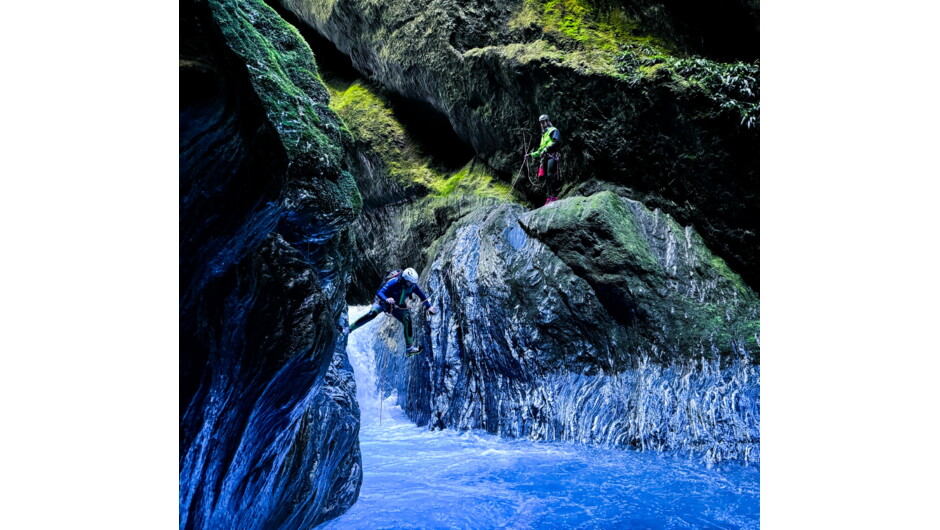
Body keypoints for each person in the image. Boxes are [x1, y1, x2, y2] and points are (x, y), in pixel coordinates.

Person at [344, 267, 438, 356]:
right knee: (371, 314)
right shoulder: (393, 282)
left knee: (407, 320)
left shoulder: (412, 286)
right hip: (382, 302)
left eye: (413, 283)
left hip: (397, 306)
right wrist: (386, 299)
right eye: (410, 283)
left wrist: (428, 307)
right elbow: (380, 293)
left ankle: (409, 349)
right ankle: (348, 329)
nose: (412, 285)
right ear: (404, 279)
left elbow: (421, 295)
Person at [527, 114, 562, 205]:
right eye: (541, 123)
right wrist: (530, 155)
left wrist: (546, 149)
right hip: (545, 158)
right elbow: (540, 150)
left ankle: (554, 195)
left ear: (548, 121)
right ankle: (549, 196)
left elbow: (557, 142)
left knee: (550, 175)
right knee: (547, 177)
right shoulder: (544, 134)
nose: (542, 124)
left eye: (543, 122)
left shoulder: (554, 130)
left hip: (553, 155)